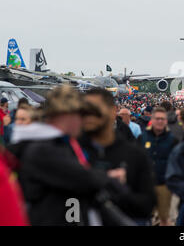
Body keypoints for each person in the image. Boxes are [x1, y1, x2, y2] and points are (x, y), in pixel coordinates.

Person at [10, 85, 129, 225]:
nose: (83, 120)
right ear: (67, 116)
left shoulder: (60, 143)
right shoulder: (42, 149)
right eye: (80, 115)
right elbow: (80, 176)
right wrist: (110, 178)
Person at [78, 88, 156, 225]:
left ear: (113, 111)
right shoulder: (71, 151)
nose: (89, 115)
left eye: (95, 109)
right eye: (84, 110)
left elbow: (147, 205)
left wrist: (119, 191)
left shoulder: (135, 154)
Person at [139, 107, 178, 226]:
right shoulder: (143, 137)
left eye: (162, 119)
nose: (160, 121)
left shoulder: (172, 140)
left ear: (166, 121)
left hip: (164, 184)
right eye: (157, 119)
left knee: (164, 218)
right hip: (146, 184)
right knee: (145, 216)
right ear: (152, 119)